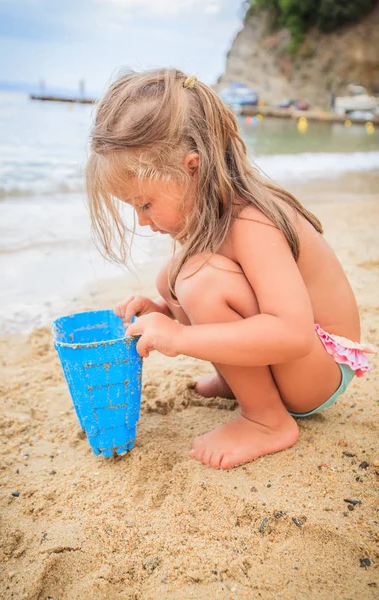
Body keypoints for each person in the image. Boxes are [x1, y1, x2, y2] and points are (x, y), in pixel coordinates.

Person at [86, 69, 375, 470]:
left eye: (145, 204)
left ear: (193, 168)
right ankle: (239, 380)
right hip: (298, 357)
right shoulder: (213, 210)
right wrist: (162, 313)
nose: (142, 221)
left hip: (320, 369)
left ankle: (266, 420)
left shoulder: (253, 221)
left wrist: (182, 336)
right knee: (171, 278)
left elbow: (292, 333)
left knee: (199, 279)